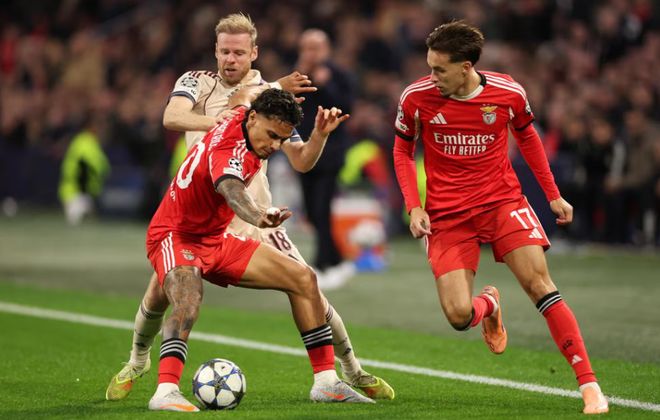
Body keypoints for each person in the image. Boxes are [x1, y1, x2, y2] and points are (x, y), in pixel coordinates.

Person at [105, 13, 393, 405]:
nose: (231, 59)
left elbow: (298, 156)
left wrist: (317, 134)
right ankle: (145, 367)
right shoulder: (204, 87)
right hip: (194, 220)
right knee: (171, 296)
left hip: (248, 221)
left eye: (239, 52)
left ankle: (345, 372)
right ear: (215, 51)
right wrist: (228, 116)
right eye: (225, 51)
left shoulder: (269, 106)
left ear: (254, 53)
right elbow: (177, 123)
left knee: (306, 283)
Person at [392, 21, 608, 415]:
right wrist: (414, 205)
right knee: (459, 316)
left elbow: (528, 137)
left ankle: (589, 384)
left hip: (501, 202)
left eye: (439, 69)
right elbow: (402, 151)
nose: (432, 76)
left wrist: (553, 194)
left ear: (466, 67)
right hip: (447, 214)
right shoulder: (416, 97)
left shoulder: (508, 93)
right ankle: (489, 305)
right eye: (429, 67)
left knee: (540, 285)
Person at [145, 89, 377, 411]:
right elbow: (232, 190)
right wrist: (257, 216)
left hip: (215, 238)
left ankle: (326, 382)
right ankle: (165, 391)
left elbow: (243, 95)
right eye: (271, 135)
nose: (275, 146)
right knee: (188, 299)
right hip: (176, 235)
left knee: (303, 278)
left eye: (281, 139)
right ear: (253, 118)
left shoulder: (246, 115)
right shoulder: (229, 148)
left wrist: (280, 89)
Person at [295, 29, 356, 289]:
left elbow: (346, 109)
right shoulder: (295, 78)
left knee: (322, 209)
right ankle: (338, 258)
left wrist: (326, 84)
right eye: (307, 47)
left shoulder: (339, 75)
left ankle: (321, 265)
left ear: (326, 49)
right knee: (311, 212)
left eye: (316, 47)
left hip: (330, 154)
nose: (311, 53)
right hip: (302, 152)